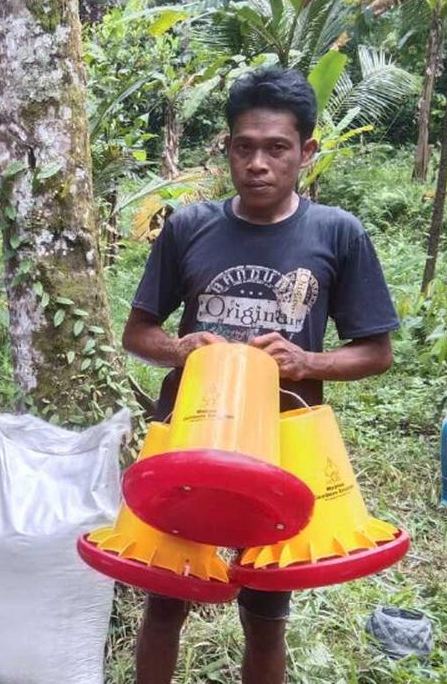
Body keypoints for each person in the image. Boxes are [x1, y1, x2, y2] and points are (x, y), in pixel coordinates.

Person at [122, 67, 398, 684]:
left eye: (277, 148)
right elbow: (137, 334)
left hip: (283, 448)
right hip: (192, 439)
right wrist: (181, 348)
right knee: (167, 598)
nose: (259, 164)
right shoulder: (190, 228)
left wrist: (308, 362)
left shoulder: (337, 234)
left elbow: (375, 350)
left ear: (307, 151)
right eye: (244, 147)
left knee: (267, 612)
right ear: (226, 149)